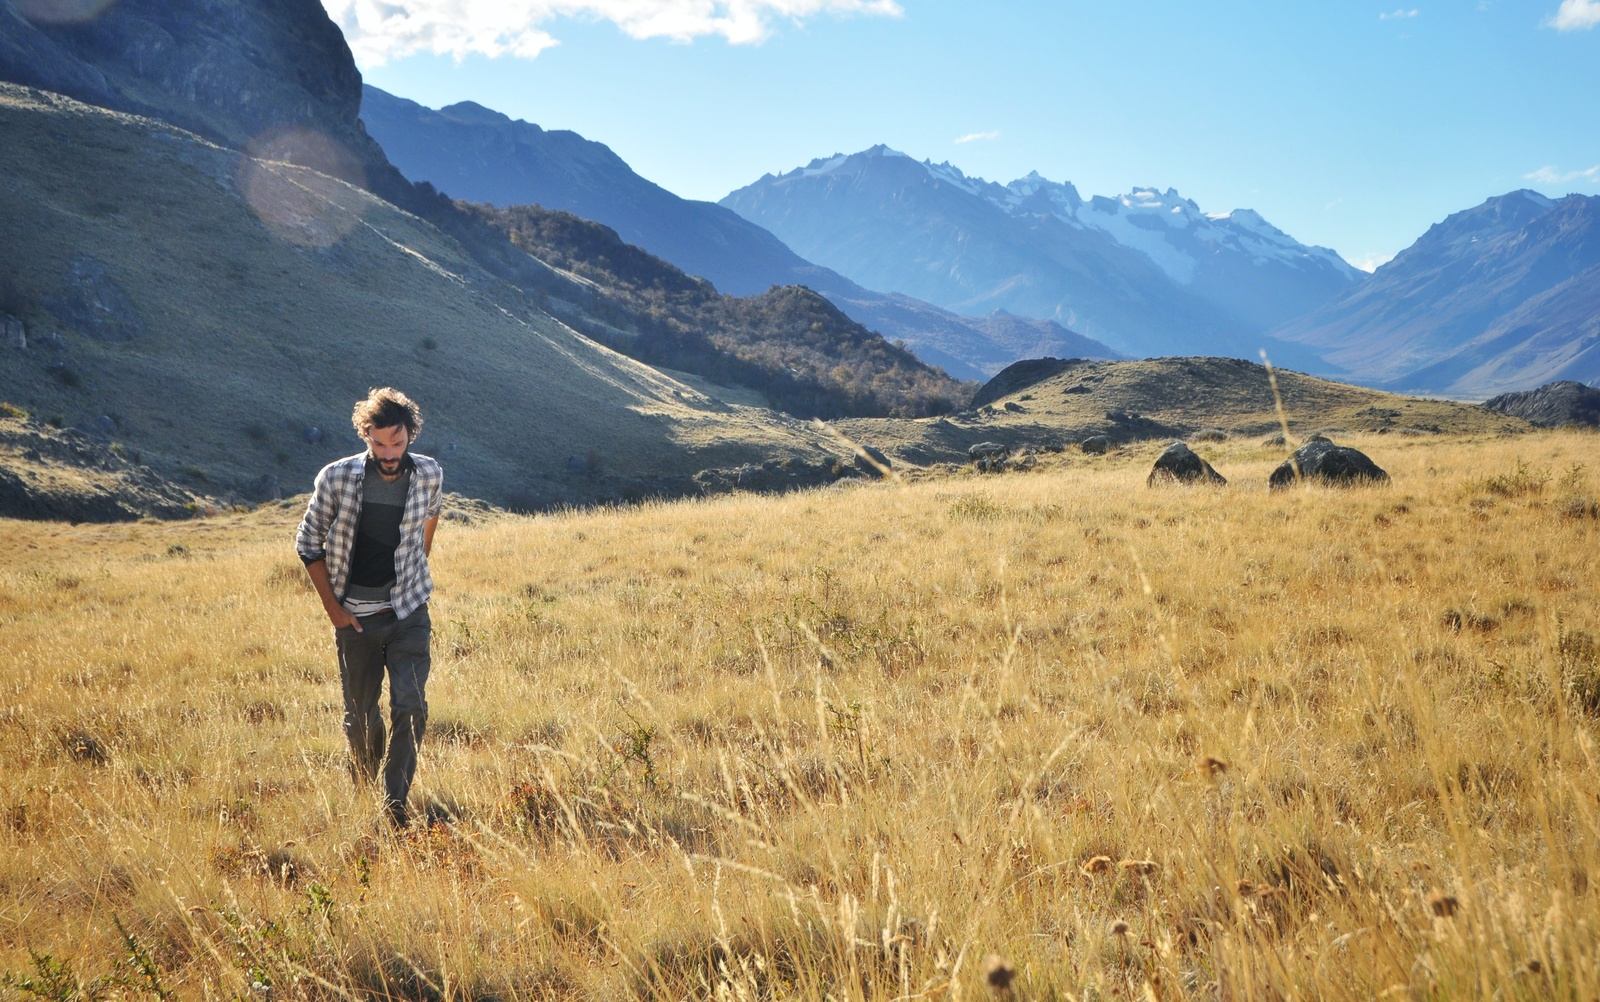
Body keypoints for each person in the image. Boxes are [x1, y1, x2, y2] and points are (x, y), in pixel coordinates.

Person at [294, 387, 444, 828]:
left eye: (397, 443)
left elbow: (430, 521)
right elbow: (307, 543)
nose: (389, 452)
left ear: (410, 435)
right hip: (355, 620)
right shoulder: (336, 478)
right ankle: (362, 788)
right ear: (365, 436)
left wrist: (413, 571)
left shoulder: (431, 474)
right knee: (361, 719)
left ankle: (394, 808)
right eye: (379, 443)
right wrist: (335, 612)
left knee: (411, 707)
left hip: (409, 614)